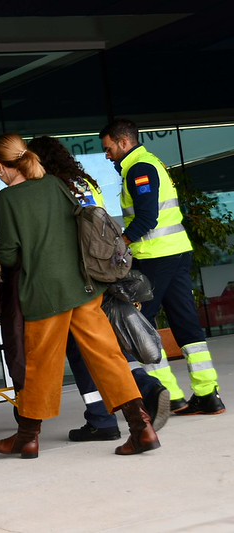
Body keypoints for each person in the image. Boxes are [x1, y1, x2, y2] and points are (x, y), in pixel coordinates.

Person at [0, 133, 159, 458]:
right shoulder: (56, 184)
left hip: (45, 294)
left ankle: (27, 437)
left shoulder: (8, 199)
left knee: (39, 364)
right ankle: (142, 428)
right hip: (84, 289)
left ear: (1, 165)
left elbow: (8, 255)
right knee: (108, 357)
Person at [27, 135, 171, 441]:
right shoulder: (84, 183)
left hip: (76, 278)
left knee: (82, 351)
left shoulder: (51, 189)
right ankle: (142, 391)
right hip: (103, 271)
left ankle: (104, 417)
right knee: (106, 346)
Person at [100, 119, 225, 415]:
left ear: (123, 142)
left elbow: (146, 219)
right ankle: (208, 393)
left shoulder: (139, 168)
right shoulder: (150, 162)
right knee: (184, 320)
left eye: (108, 149)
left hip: (157, 256)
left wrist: (119, 244)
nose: (107, 155)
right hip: (177, 252)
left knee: (140, 323)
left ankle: (167, 395)